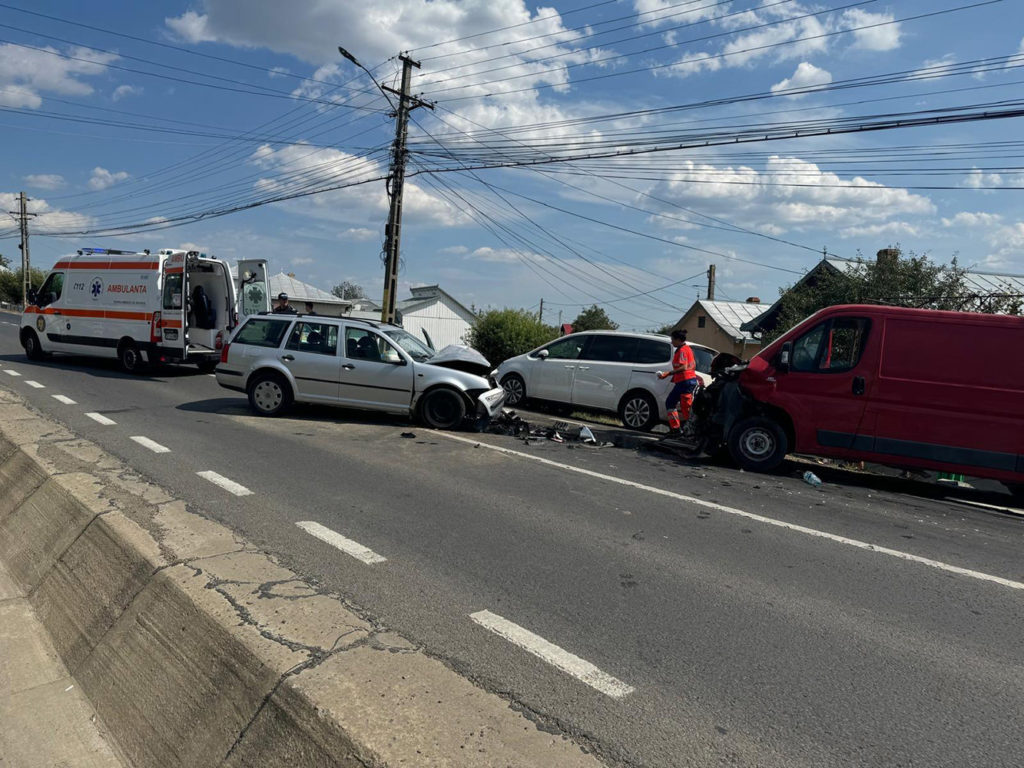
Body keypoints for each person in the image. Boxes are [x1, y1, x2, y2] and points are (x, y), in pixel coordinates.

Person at [657, 329, 698, 437]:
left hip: (686, 382)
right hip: (684, 382)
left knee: (682, 407)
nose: (671, 342)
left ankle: (685, 430)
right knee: (676, 404)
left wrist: (668, 373)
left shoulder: (683, 350)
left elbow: (683, 367)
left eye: (672, 340)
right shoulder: (685, 349)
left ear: (679, 340)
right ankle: (678, 429)